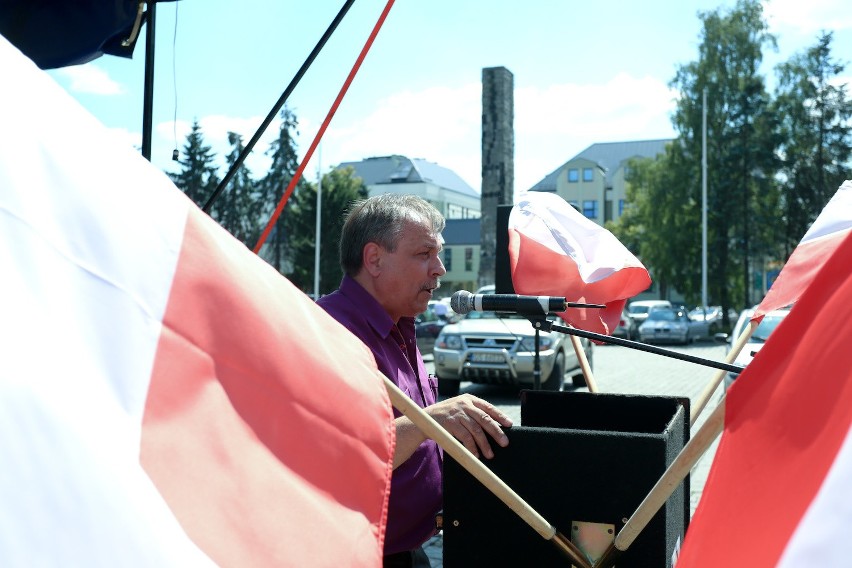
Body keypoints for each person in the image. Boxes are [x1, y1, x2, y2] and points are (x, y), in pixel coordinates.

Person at [318, 194, 512, 567]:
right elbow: (345, 457)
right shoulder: (331, 333)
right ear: (374, 259)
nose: (439, 269)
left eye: (437, 255)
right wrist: (434, 420)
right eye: (424, 254)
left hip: (410, 548)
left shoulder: (401, 324)